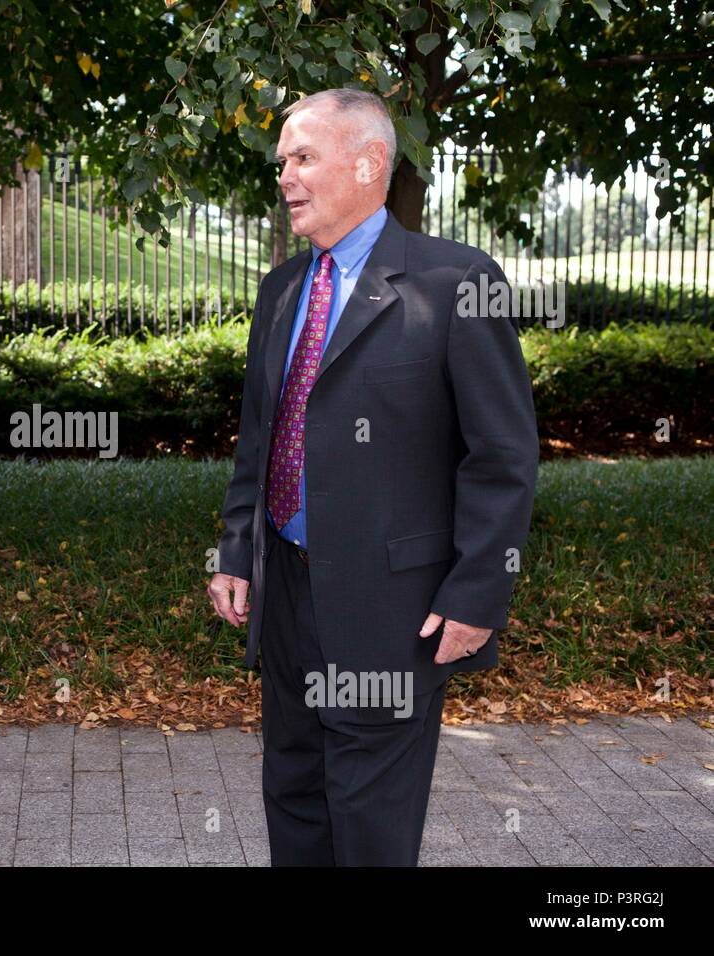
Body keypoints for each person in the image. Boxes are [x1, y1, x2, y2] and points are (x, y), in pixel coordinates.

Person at [207, 89, 539, 866]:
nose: (283, 173)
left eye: (302, 157)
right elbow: (262, 438)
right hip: (286, 592)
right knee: (293, 791)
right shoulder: (282, 288)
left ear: (368, 163)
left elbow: (501, 455)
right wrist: (235, 548)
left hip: (396, 609)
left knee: (370, 818)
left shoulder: (457, 281)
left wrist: (476, 592)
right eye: (282, 158)